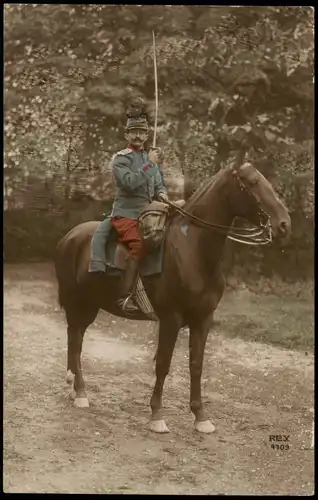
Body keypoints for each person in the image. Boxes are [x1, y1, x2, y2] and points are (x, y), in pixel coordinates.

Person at [89, 100, 169, 313]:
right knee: (139, 246)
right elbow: (130, 182)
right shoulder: (120, 160)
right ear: (126, 135)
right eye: (133, 132)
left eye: (142, 132)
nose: (138, 136)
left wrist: (162, 194)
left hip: (149, 213)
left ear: (146, 134)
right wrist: (150, 164)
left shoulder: (148, 157)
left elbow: (158, 182)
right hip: (126, 214)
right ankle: (124, 297)